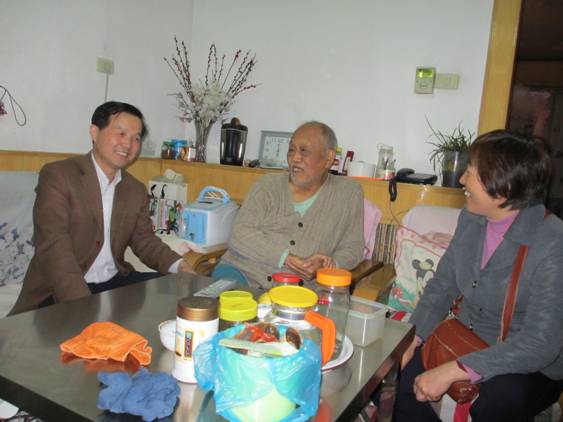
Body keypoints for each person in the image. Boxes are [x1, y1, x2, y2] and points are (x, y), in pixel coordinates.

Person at [393, 130, 563, 422]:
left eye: (471, 172)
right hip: (464, 337)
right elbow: (442, 286)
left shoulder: (552, 240)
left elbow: (540, 343)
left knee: (498, 401)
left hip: (528, 361)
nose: (462, 180)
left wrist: (456, 370)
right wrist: (413, 337)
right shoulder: (471, 219)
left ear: (504, 186)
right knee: (396, 378)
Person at [10, 101, 192, 315]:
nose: (128, 144)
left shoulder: (134, 189)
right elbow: (53, 247)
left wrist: (180, 266)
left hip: (112, 284)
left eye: (136, 138)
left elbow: (144, 241)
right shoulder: (58, 176)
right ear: (94, 133)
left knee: (176, 293)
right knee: (91, 332)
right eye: (121, 133)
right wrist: (85, 306)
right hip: (59, 291)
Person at [214, 121, 365, 289]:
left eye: (304, 151)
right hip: (241, 273)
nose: (295, 158)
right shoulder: (268, 184)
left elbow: (353, 248)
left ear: (328, 158)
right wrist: (285, 258)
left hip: (298, 290)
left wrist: (328, 266)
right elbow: (239, 234)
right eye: (291, 150)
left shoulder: (348, 194)